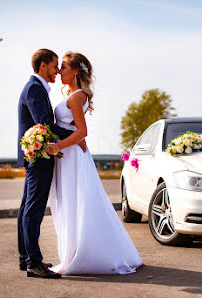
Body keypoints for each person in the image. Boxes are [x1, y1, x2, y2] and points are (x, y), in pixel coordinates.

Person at [47, 52, 142, 275]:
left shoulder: (76, 97)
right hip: (69, 156)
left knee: (76, 202)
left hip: (71, 157)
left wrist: (59, 146)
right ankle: (72, 251)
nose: (59, 71)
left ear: (76, 72)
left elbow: (82, 131)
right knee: (72, 202)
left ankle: (82, 254)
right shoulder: (73, 94)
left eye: (63, 67)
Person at [17, 49, 87, 279]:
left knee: (28, 206)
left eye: (61, 66)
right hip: (39, 157)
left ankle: (26, 258)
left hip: (37, 156)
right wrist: (76, 135)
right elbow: (45, 124)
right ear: (43, 65)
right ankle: (33, 262)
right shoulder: (35, 89)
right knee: (33, 209)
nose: (57, 70)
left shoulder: (37, 88)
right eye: (55, 65)